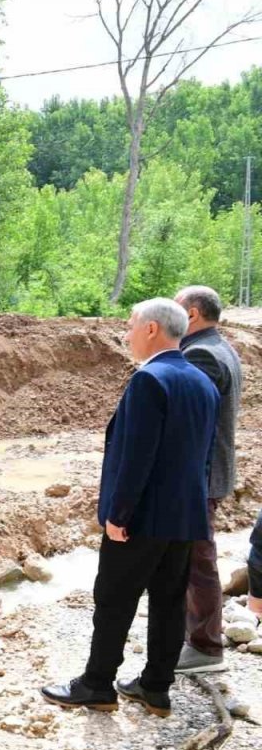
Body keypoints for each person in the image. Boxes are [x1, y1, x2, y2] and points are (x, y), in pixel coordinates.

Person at [42, 298, 218, 717]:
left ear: (152, 329)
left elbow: (136, 457)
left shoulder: (149, 380)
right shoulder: (203, 383)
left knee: (114, 599)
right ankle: (156, 688)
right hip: (184, 514)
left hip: (142, 517)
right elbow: (203, 457)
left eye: (131, 325)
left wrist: (118, 514)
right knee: (169, 602)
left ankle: (97, 685)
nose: (126, 334)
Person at [173, 286, 243, 674]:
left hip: (199, 477)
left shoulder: (200, 354)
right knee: (197, 557)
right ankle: (197, 638)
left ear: (193, 314)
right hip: (208, 473)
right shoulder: (222, 347)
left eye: (176, 307)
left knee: (198, 561)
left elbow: (189, 424)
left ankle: (205, 646)